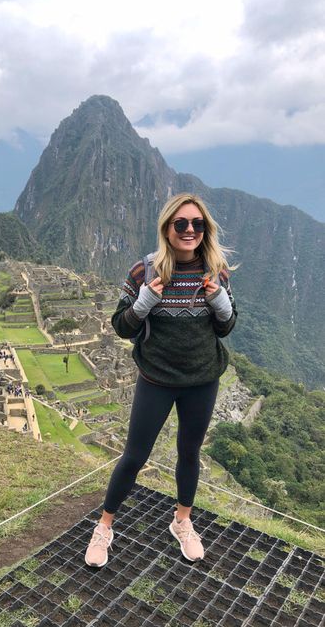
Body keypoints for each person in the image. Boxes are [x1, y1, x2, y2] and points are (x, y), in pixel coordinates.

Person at [85, 193, 237, 567]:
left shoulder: (216, 271)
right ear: (167, 229)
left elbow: (226, 327)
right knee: (135, 455)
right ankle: (104, 526)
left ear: (206, 230)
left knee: (190, 453)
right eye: (181, 224)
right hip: (156, 377)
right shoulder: (145, 271)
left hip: (202, 379)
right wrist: (142, 302)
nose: (189, 230)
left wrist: (219, 300)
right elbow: (121, 326)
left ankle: (182, 520)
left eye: (197, 224)